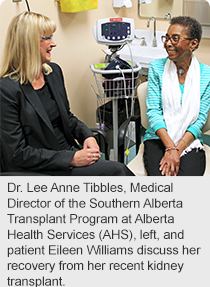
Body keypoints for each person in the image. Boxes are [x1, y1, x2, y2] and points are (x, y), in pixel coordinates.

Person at [0, 11, 134, 176]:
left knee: (116, 173)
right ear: (28, 43)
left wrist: (87, 136)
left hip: (68, 154)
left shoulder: (53, 72)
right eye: (47, 38)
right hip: (40, 168)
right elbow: (17, 153)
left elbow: (68, 118)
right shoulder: (6, 90)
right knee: (118, 172)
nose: (54, 43)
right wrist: (71, 158)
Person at [143, 16, 210, 176]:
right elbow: (153, 112)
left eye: (175, 38)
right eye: (166, 38)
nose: (167, 43)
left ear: (193, 43)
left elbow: (200, 118)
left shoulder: (206, 75)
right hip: (158, 139)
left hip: (189, 140)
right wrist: (170, 147)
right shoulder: (156, 68)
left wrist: (177, 149)